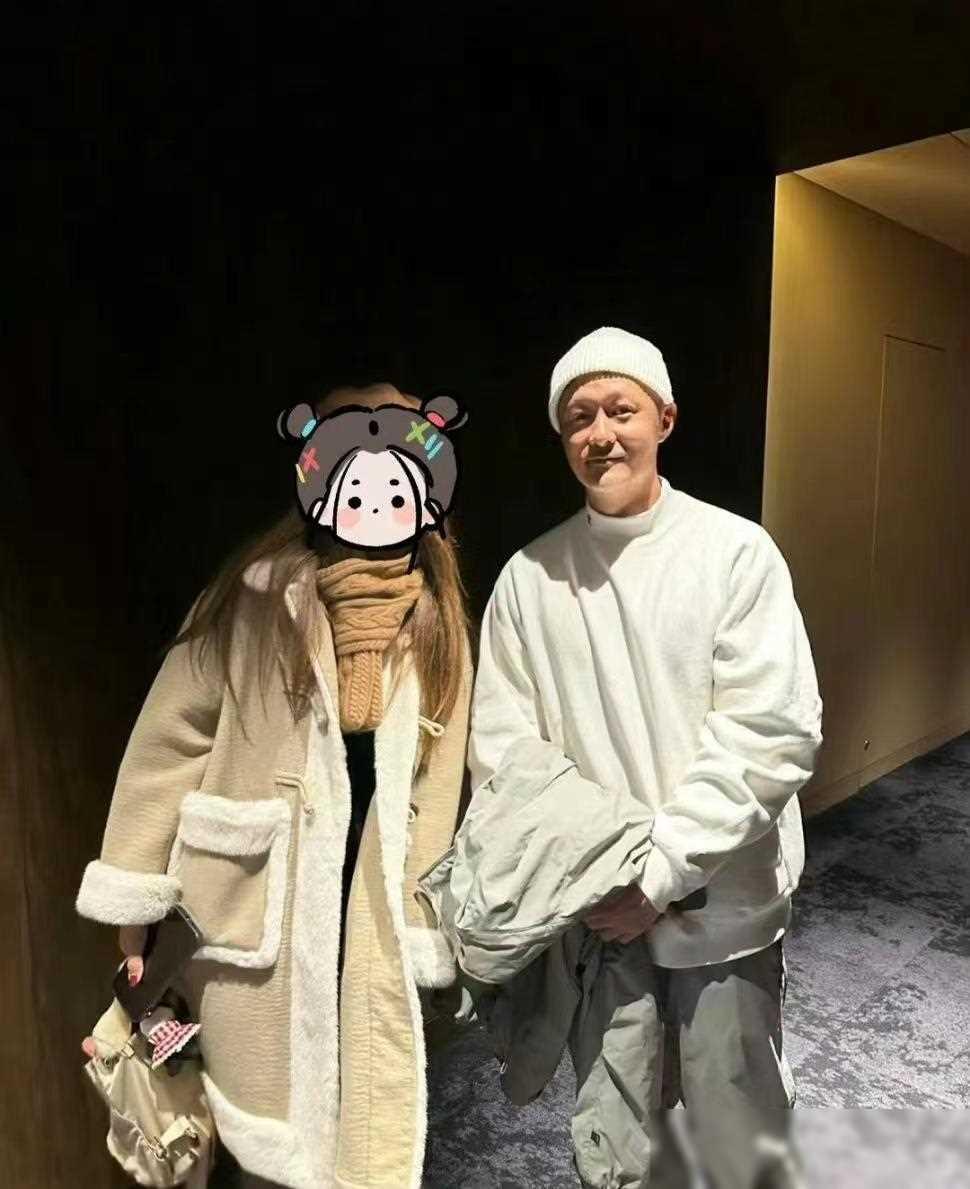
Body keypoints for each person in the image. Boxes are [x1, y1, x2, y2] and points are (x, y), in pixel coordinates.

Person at [76, 382, 474, 1189]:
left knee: (364, 1105)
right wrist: (136, 897)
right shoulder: (251, 601)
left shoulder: (441, 626)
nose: (374, 504)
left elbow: (438, 788)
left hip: (370, 904)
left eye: (394, 485)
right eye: (355, 485)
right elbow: (169, 740)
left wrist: (421, 918)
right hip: (254, 896)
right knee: (263, 1117)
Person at [467, 327, 823, 1189]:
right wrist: (593, 878)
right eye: (579, 417)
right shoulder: (530, 578)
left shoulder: (734, 553)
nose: (601, 433)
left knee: (738, 1140)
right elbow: (508, 757)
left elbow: (773, 730)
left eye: (620, 410)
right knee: (620, 1143)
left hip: (724, 909)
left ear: (664, 418)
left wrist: (659, 871)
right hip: (600, 922)